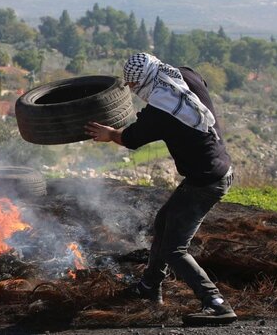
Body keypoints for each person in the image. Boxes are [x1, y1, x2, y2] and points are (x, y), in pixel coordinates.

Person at [84, 53, 236, 326]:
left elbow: (129, 138)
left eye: (134, 85)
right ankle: (149, 286)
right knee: (163, 222)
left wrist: (109, 134)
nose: (134, 91)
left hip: (205, 182)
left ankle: (216, 304)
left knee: (174, 249)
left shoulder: (161, 110)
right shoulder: (184, 75)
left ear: (143, 80)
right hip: (215, 169)